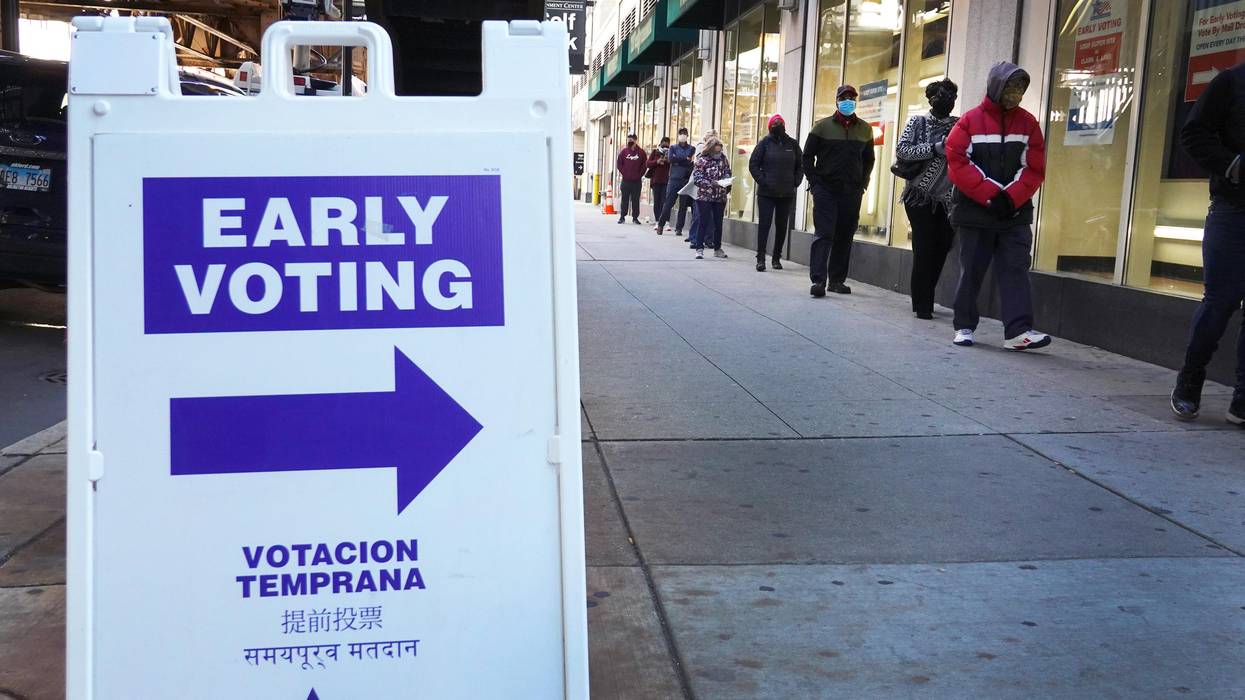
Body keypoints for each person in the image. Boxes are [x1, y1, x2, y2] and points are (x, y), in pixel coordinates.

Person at [944, 62, 1052, 351]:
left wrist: (1011, 198)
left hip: (1014, 215)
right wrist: (993, 195)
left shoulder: (1028, 124)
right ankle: (964, 325)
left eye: (1020, 88)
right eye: (1010, 87)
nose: (1015, 94)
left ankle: (1018, 331)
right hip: (975, 214)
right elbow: (957, 162)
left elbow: (1034, 167)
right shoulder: (969, 122)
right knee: (971, 270)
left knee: (1015, 270)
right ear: (996, 87)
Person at [1169, 62, 1245, 425]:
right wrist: (1234, 165)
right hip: (1233, 210)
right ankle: (1190, 379)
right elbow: (1193, 134)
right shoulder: (1232, 82)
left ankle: (1242, 400)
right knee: (1220, 302)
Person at [895, 79, 959, 319]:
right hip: (919, 195)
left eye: (952, 97)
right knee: (924, 247)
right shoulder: (917, 122)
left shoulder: (959, 124)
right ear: (931, 99)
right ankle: (922, 304)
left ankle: (926, 293)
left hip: (948, 198)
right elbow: (902, 150)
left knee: (943, 246)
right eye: (942, 96)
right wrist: (935, 148)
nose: (947, 101)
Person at [803, 85, 874, 296]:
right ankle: (818, 281)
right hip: (826, 189)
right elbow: (807, 157)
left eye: (852, 98)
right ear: (837, 101)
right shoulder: (822, 127)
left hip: (851, 191)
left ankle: (836, 280)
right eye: (844, 98)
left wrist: (863, 184)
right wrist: (814, 182)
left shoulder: (865, 129)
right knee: (824, 233)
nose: (848, 101)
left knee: (845, 235)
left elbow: (869, 159)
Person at [749, 114, 803, 272]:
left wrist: (796, 181)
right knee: (764, 225)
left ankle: (776, 257)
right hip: (766, 194)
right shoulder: (764, 143)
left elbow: (801, 165)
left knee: (782, 226)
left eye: (780, 123)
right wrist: (763, 181)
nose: (778, 126)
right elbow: (753, 164)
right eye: (775, 124)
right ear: (770, 127)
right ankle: (760, 258)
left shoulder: (793, 144)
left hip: (786, 193)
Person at [691, 136, 731, 260]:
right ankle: (699, 248)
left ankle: (717, 248)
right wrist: (711, 183)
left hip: (720, 196)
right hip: (705, 196)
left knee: (718, 223)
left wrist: (727, 180)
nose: (718, 154)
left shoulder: (723, 159)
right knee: (703, 222)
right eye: (716, 151)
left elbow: (727, 171)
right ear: (710, 149)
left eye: (720, 151)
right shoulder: (702, 160)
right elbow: (697, 178)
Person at [657, 128, 696, 237]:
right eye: (681, 134)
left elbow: (689, 162)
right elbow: (671, 159)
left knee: (683, 206)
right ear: (678, 135)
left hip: (685, 179)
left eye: (684, 134)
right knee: (668, 203)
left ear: (687, 135)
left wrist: (678, 160)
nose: (683, 135)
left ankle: (679, 228)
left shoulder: (692, 148)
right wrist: (684, 159)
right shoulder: (673, 148)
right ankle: (661, 224)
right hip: (674, 179)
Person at [615, 133, 646, 224]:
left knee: (635, 200)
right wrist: (625, 173)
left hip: (636, 181)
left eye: (631, 140)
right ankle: (622, 217)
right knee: (624, 199)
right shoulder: (624, 152)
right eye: (628, 139)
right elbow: (619, 164)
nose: (629, 141)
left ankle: (635, 218)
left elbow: (644, 165)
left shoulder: (641, 152)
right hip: (626, 180)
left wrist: (639, 175)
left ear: (635, 140)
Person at [647, 137, 671, 233]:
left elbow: (674, 163)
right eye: (664, 145)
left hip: (666, 181)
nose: (665, 147)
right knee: (657, 202)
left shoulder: (670, 152)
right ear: (660, 144)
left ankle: (666, 222)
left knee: (665, 202)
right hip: (656, 181)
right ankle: (657, 221)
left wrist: (668, 160)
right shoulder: (655, 152)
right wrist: (657, 161)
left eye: (667, 145)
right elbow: (648, 163)